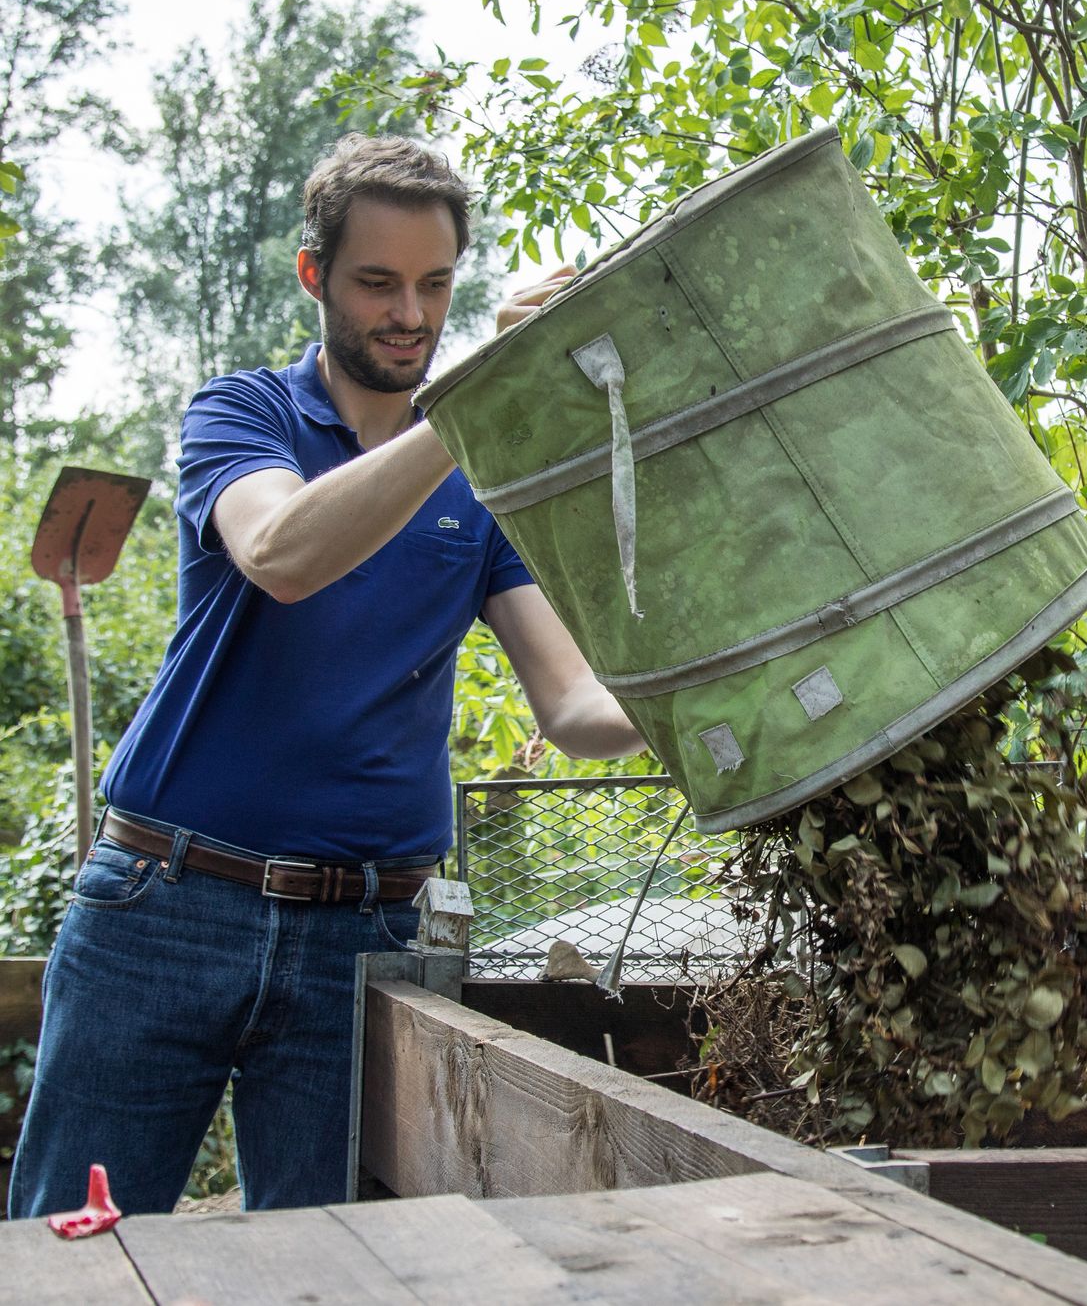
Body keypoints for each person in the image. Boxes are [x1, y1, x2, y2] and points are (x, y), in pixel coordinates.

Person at [7, 136, 640, 1219]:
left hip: (365, 941)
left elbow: (575, 707)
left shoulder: (480, 487)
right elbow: (283, 555)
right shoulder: (242, 414)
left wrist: (726, 687)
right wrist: (468, 408)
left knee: (336, 1274)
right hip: (167, 909)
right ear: (314, 276)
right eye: (378, 282)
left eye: (435, 285)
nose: (411, 314)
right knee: (76, 1253)